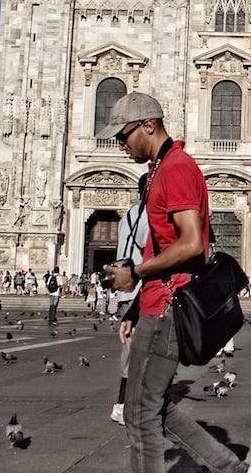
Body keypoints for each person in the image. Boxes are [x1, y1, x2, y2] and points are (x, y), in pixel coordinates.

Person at [99, 91, 251, 473]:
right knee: (154, 408)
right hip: (155, 301)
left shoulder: (176, 168)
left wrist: (135, 274)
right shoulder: (160, 168)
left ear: (148, 125)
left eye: (123, 135)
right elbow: (162, 245)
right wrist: (135, 305)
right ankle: (230, 468)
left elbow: (190, 242)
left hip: (168, 305)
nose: (119, 144)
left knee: (139, 414)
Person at [109, 173, 149, 425]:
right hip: (139, 293)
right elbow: (154, 254)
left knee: (135, 350)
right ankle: (124, 404)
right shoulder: (147, 216)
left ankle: (130, 402)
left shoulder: (128, 215)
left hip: (127, 291)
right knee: (135, 352)